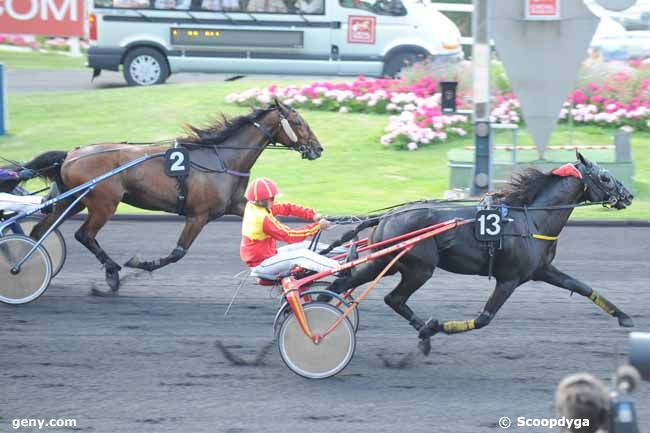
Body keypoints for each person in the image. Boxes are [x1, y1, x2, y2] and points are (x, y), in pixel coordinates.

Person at [240, 178, 339, 281]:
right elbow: (290, 235)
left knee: (305, 245)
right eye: (272, 198)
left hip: (269, 255)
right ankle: (340, 269)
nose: (274, 200)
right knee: (302, 255)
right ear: (263, 201)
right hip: (262, 264)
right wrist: (317, 226)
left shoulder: (255, 206)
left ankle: (343, 252)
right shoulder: (261, 218)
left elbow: (287, 207)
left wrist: (312, 215)